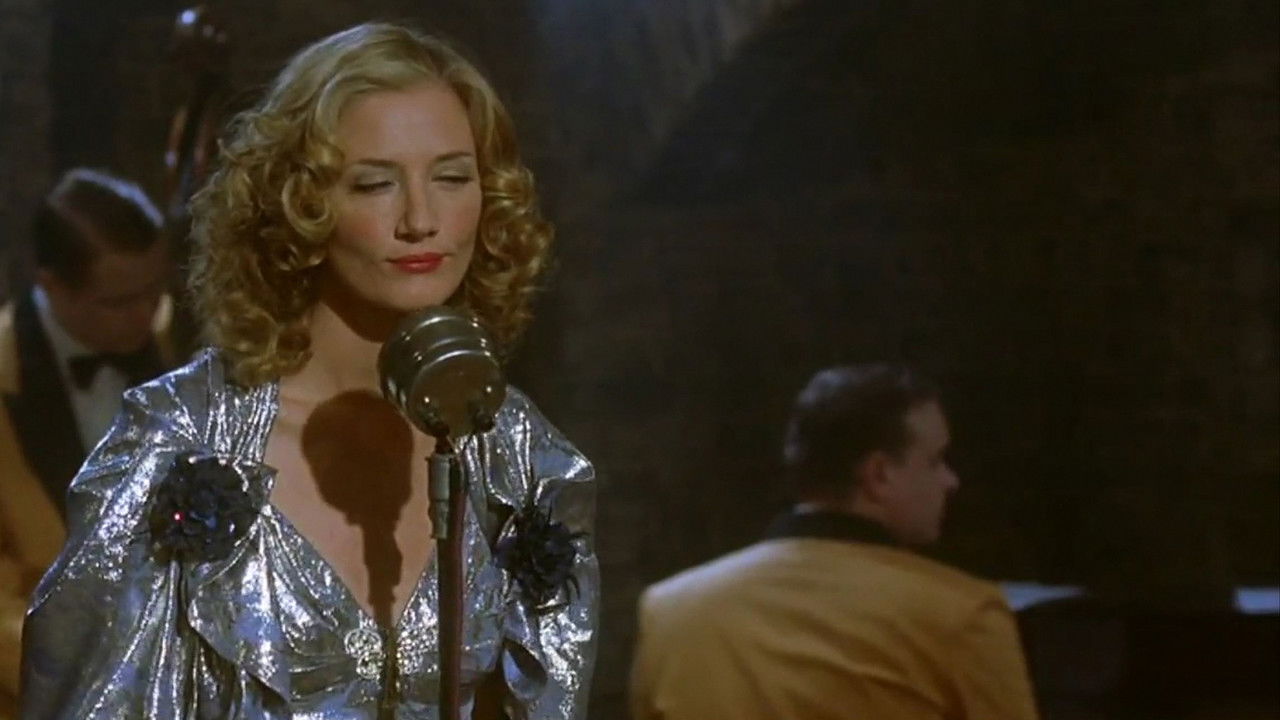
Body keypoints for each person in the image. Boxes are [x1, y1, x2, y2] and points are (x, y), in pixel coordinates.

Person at [21, 23, 598, 719]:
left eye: (452, 177)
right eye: (375, 183)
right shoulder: (178, 448)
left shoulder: (522, 460)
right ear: (301, 204)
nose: (421, 219)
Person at [630, 364, 1039, 720]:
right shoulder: (963, 617)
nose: (951, 480)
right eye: (935, 460)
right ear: (879, 474)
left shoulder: (669, 609)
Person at [0, 168, 172, 716]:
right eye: (119, 302)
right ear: (51, 285)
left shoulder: (176, 343)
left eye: (154, 290)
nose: (147, 314)